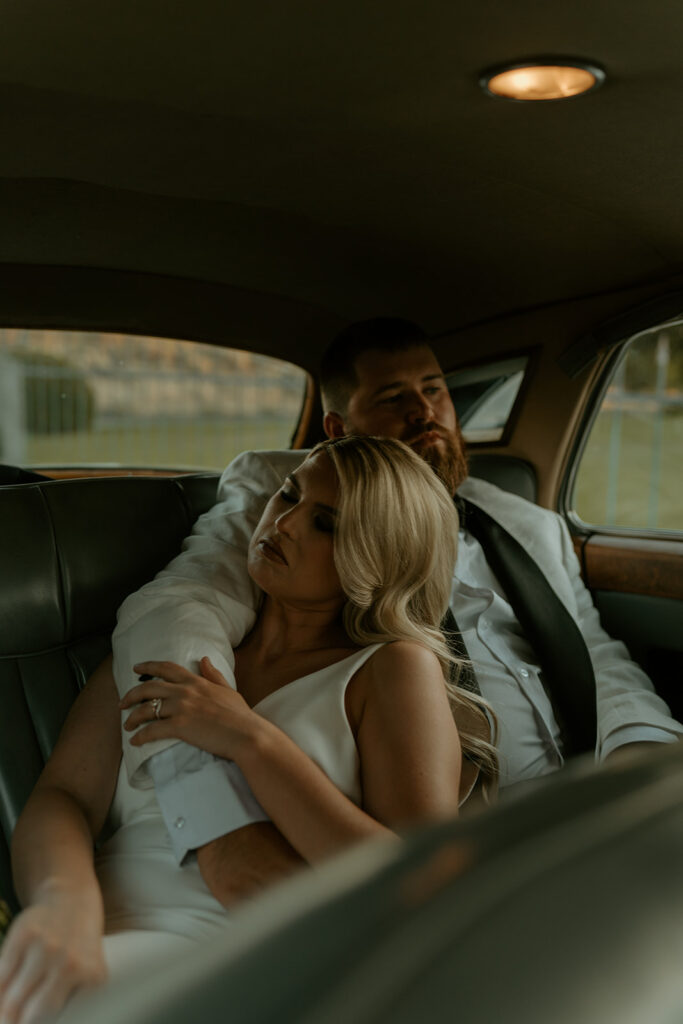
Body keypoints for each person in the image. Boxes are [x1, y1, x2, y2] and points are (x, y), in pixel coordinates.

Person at [110, 317, 682, 902]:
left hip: (594, 807)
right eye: (393, 398)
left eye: (434, 389)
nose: (425, 411)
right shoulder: (281, 493)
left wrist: (648, 775)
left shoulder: (529, 524)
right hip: (474, 836)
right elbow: (184, 606)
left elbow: (600, 660)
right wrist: (212, 809)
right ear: (338, 429)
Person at [0, 436, 494, 1024]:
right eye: (288, 493)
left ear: (374, 558)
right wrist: (62, 906)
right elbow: (64, 799)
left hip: (254, 953)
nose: (282, 522)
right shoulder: (174, 640)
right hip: (97, 931)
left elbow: (421, 878)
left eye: (324, 523)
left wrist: (251, 741)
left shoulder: (390, 666)